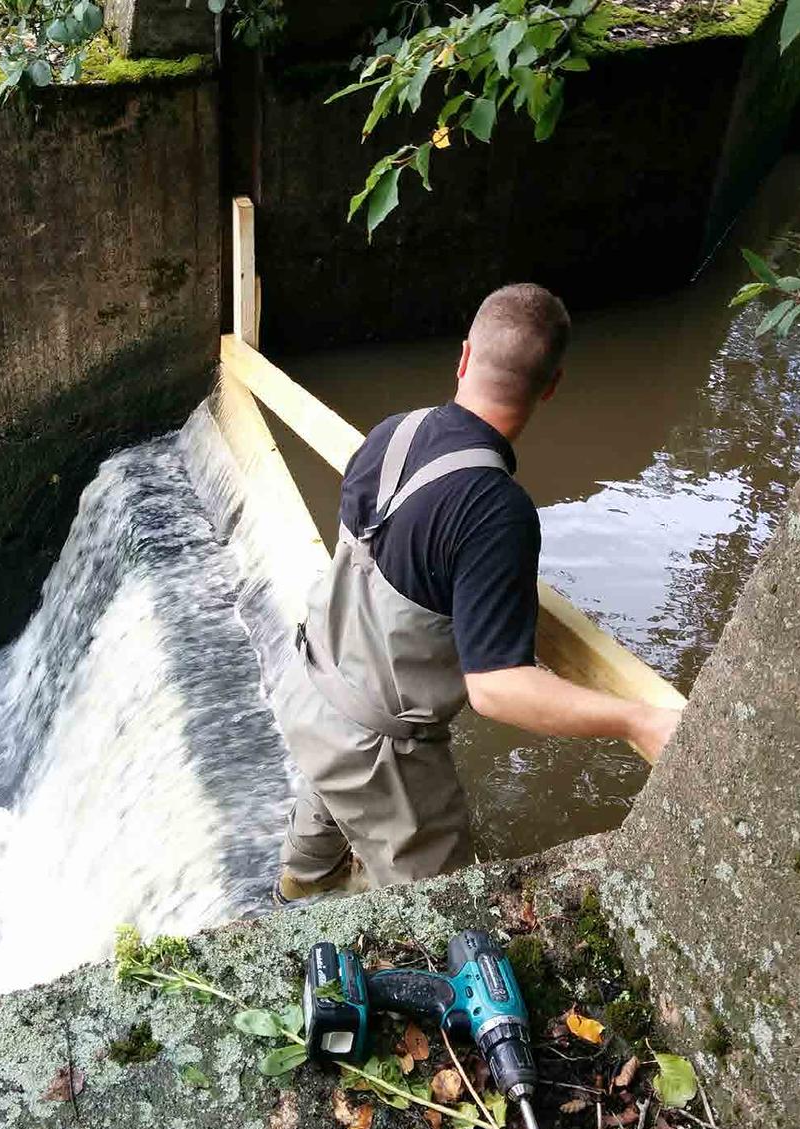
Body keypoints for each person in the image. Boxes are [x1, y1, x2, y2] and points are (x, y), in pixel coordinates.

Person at [272, 284, 682, 903]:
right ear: (551, 386)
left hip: (310, 684)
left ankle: (302, 885)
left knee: (322, 810)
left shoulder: (392, 433)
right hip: (379, 753)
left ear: (464, 357)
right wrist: (638, 719)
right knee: (440, 919)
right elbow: (497, 689)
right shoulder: (496, 513)